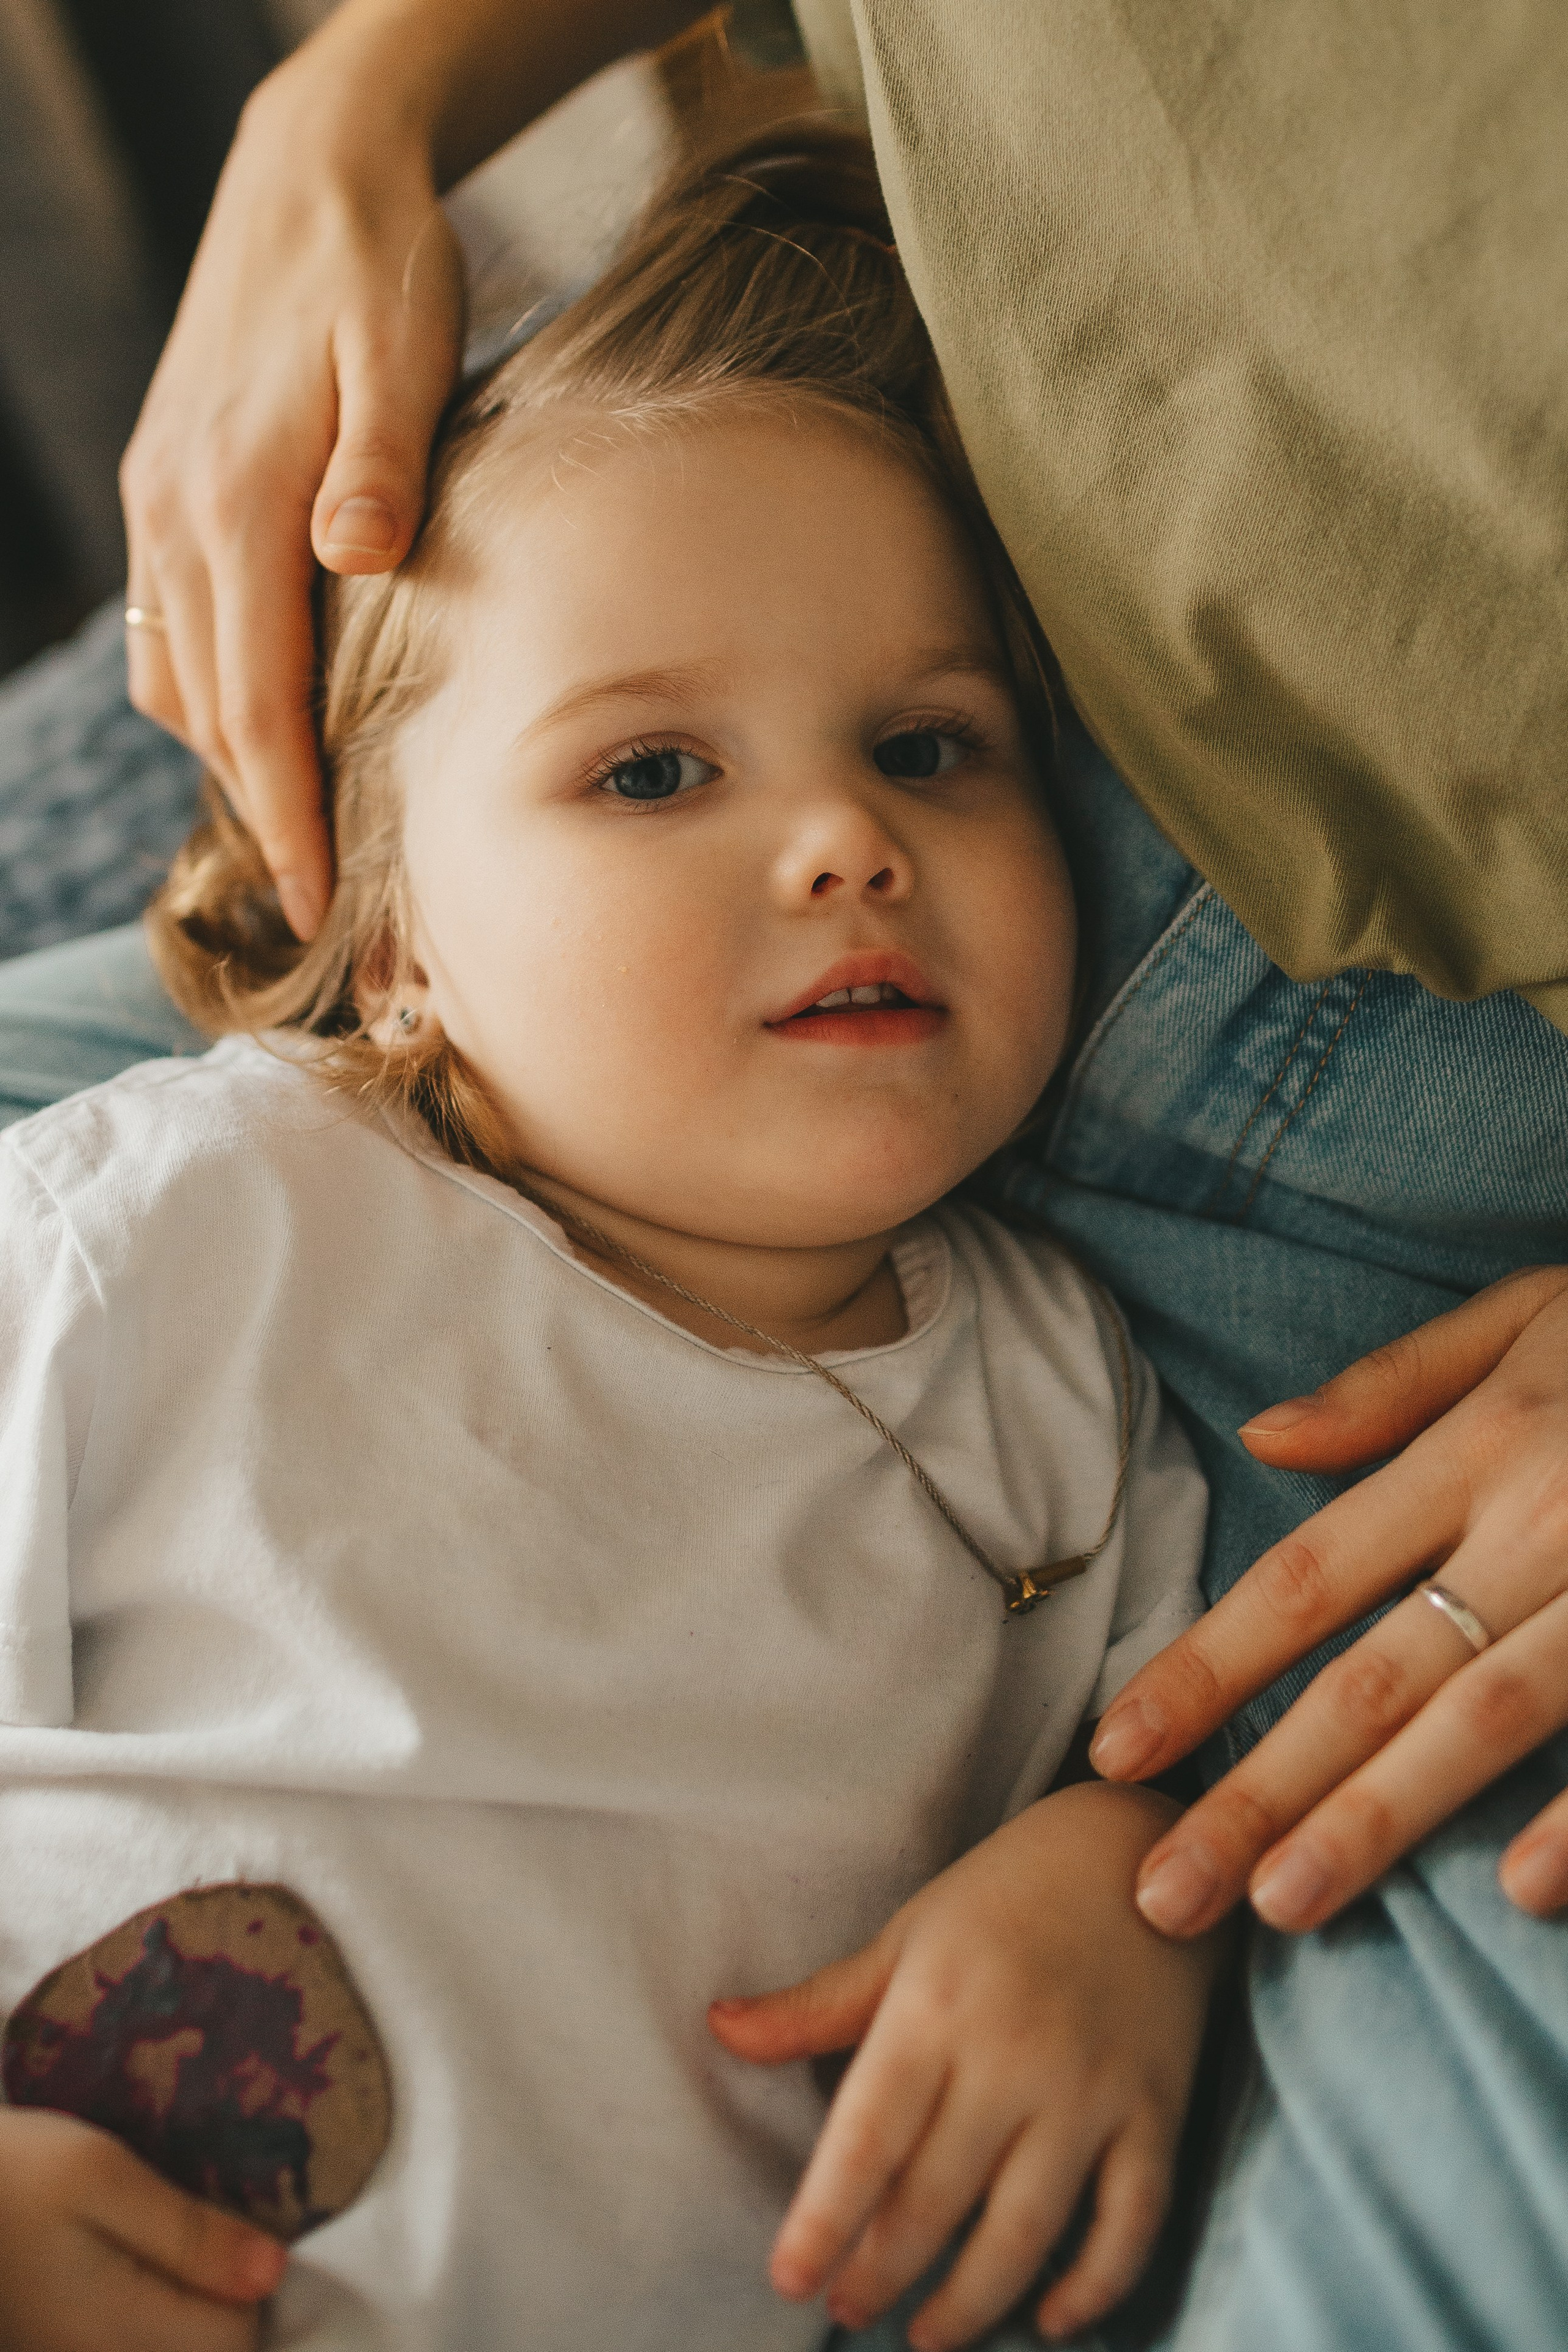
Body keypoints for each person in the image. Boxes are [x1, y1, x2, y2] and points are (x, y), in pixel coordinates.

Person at [2, 3, 1566, 2346]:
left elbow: (1153, 1756)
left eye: (933, 748)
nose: (846, 839)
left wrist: (1098, 1903)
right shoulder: (175, 1225)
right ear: (398, 938)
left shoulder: (1077, 1420)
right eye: (653, 775)